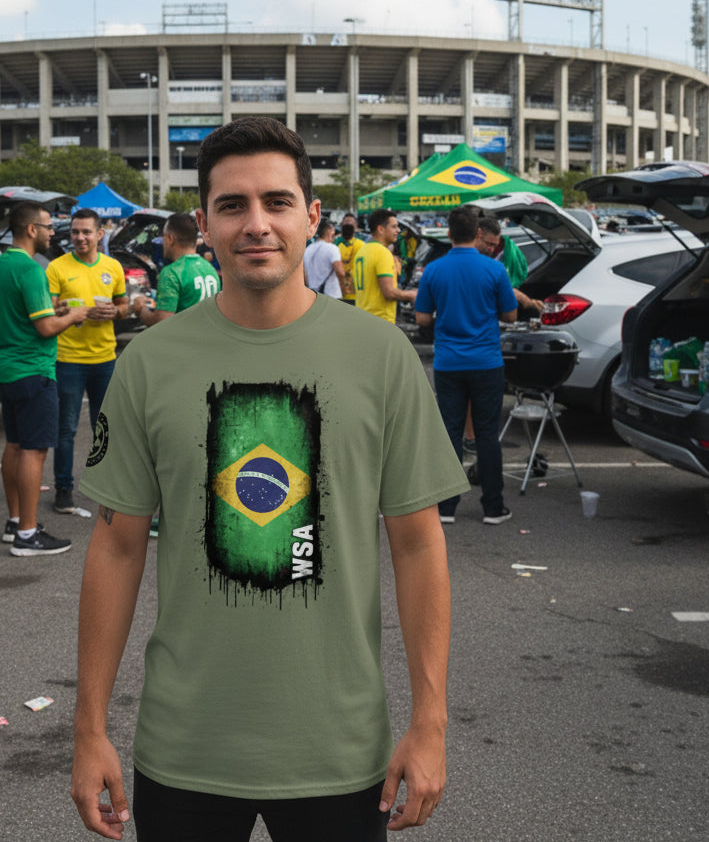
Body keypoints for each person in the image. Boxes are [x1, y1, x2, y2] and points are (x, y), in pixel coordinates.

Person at [70, 115, 467, 841]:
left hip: (341, 752)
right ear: (204, 224)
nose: (256, 224)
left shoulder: (381, 356)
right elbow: (117, 547)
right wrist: (89, 729)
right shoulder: (149, 363)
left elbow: (418, 544)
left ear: (311, 218)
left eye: (277, 202)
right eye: (232, 205)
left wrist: (431, 722)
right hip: (184, 749)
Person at [0, 202, 90, 556]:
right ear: (31, 229)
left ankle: (15, 521)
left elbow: (14, 313)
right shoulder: (31, 270)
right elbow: (45, 328)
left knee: (15, 445)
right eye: (47, 227)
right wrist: (73, 314)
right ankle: (28, 536)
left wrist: (55, 309)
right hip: (34, 370)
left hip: (6, 368)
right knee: (34, 451)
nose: (51, 233)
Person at [414, 205, 518, 526]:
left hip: (448, 362)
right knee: (487, 434)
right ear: (477, 234)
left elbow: (422, 318)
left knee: (450, 432)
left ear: (448, 233)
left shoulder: (434, 270)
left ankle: (446, 507)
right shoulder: (494, 269)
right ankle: (493, 507)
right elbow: (510, 315)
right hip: (486, 362)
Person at [45, 209, 128, 515]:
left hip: (105, 359)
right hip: (68, 359)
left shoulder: (112, 267)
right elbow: (49, 309)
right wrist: (67, 310)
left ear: (99, 234)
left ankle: (106, 487)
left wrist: (116, 312)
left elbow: (124, 305)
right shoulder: (57, 267)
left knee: (103, 427)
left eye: (86, 232)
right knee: (66, 429)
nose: (80, 238)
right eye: (75, 232)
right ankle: (63, 489)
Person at [131, 212, 221, 327]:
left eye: (163, 237)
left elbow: (162, 324)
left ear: (170, 239)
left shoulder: (171, 273)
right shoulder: (209, 269)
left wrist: (141, 308)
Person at [353, 209, 417, 323]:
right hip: (380, 320)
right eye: (394, 227)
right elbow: (389, 292)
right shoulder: (382, 253)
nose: (398, 230)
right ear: (381, 229)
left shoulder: (362, 251)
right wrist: (411, 294)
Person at [476, 216, 543, 314]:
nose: (491, 249)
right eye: (489, 244)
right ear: (478, 235)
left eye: (494, 245)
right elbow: (503, 292)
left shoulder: (488, 262)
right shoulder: (476, 264)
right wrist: (529, 303)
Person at [302, 217, 345, 297]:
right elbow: (340, 272)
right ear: (329, 232)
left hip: (313, 296)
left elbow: (303, 276)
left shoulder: (308, 249)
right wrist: (343, 289)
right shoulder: (332, 248)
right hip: (331, 296)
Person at [335, 215, 364, 304]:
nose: (348, 225)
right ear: (341, 226)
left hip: (356, 292)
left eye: (351, 224)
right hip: (337, 292)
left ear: (356, 227)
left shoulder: (361, 244)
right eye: (346, 223)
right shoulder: (335, 244)